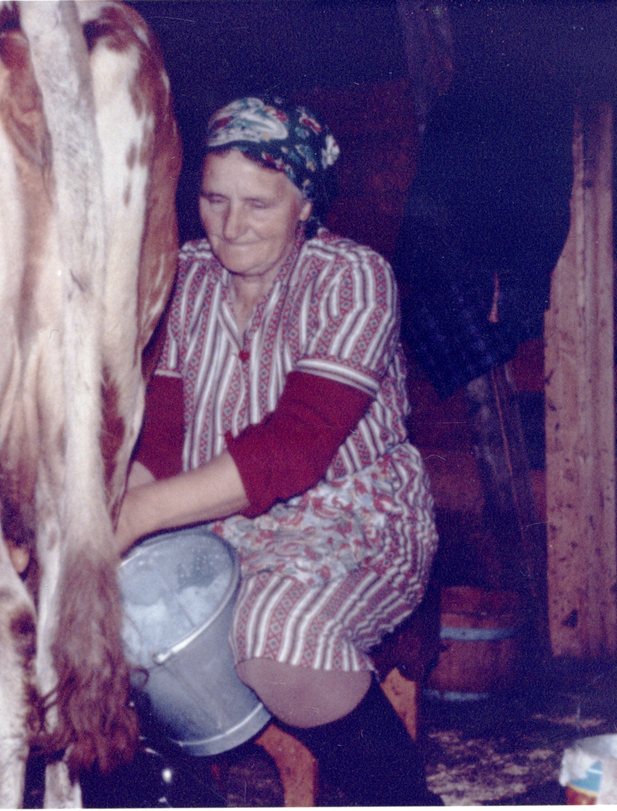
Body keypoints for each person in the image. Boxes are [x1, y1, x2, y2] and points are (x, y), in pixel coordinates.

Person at [115, 96, 441, 806]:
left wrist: (135, 516)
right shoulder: (185, 278)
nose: (232, 227)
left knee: (278, 636)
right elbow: (163, 443)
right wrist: (105, 529)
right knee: (103, 624)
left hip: (355, 517)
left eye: (259, 204)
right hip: (214, 516)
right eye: (213, 199)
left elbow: (296, 447)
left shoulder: (352, 279)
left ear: (305, 203)